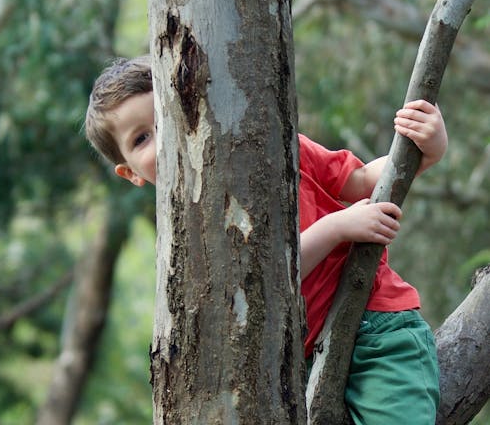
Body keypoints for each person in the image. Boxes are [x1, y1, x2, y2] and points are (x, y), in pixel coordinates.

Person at [84, 55, 446, 424]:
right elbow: (266, 283)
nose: (164, 140)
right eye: (142, 138)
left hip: (376, 328)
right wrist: (337, 227)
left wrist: (427, 148)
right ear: (130, 172)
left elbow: (362, 181)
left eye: (167, 116)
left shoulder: (276, 147)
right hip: (298, 369)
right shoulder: (186, 245)